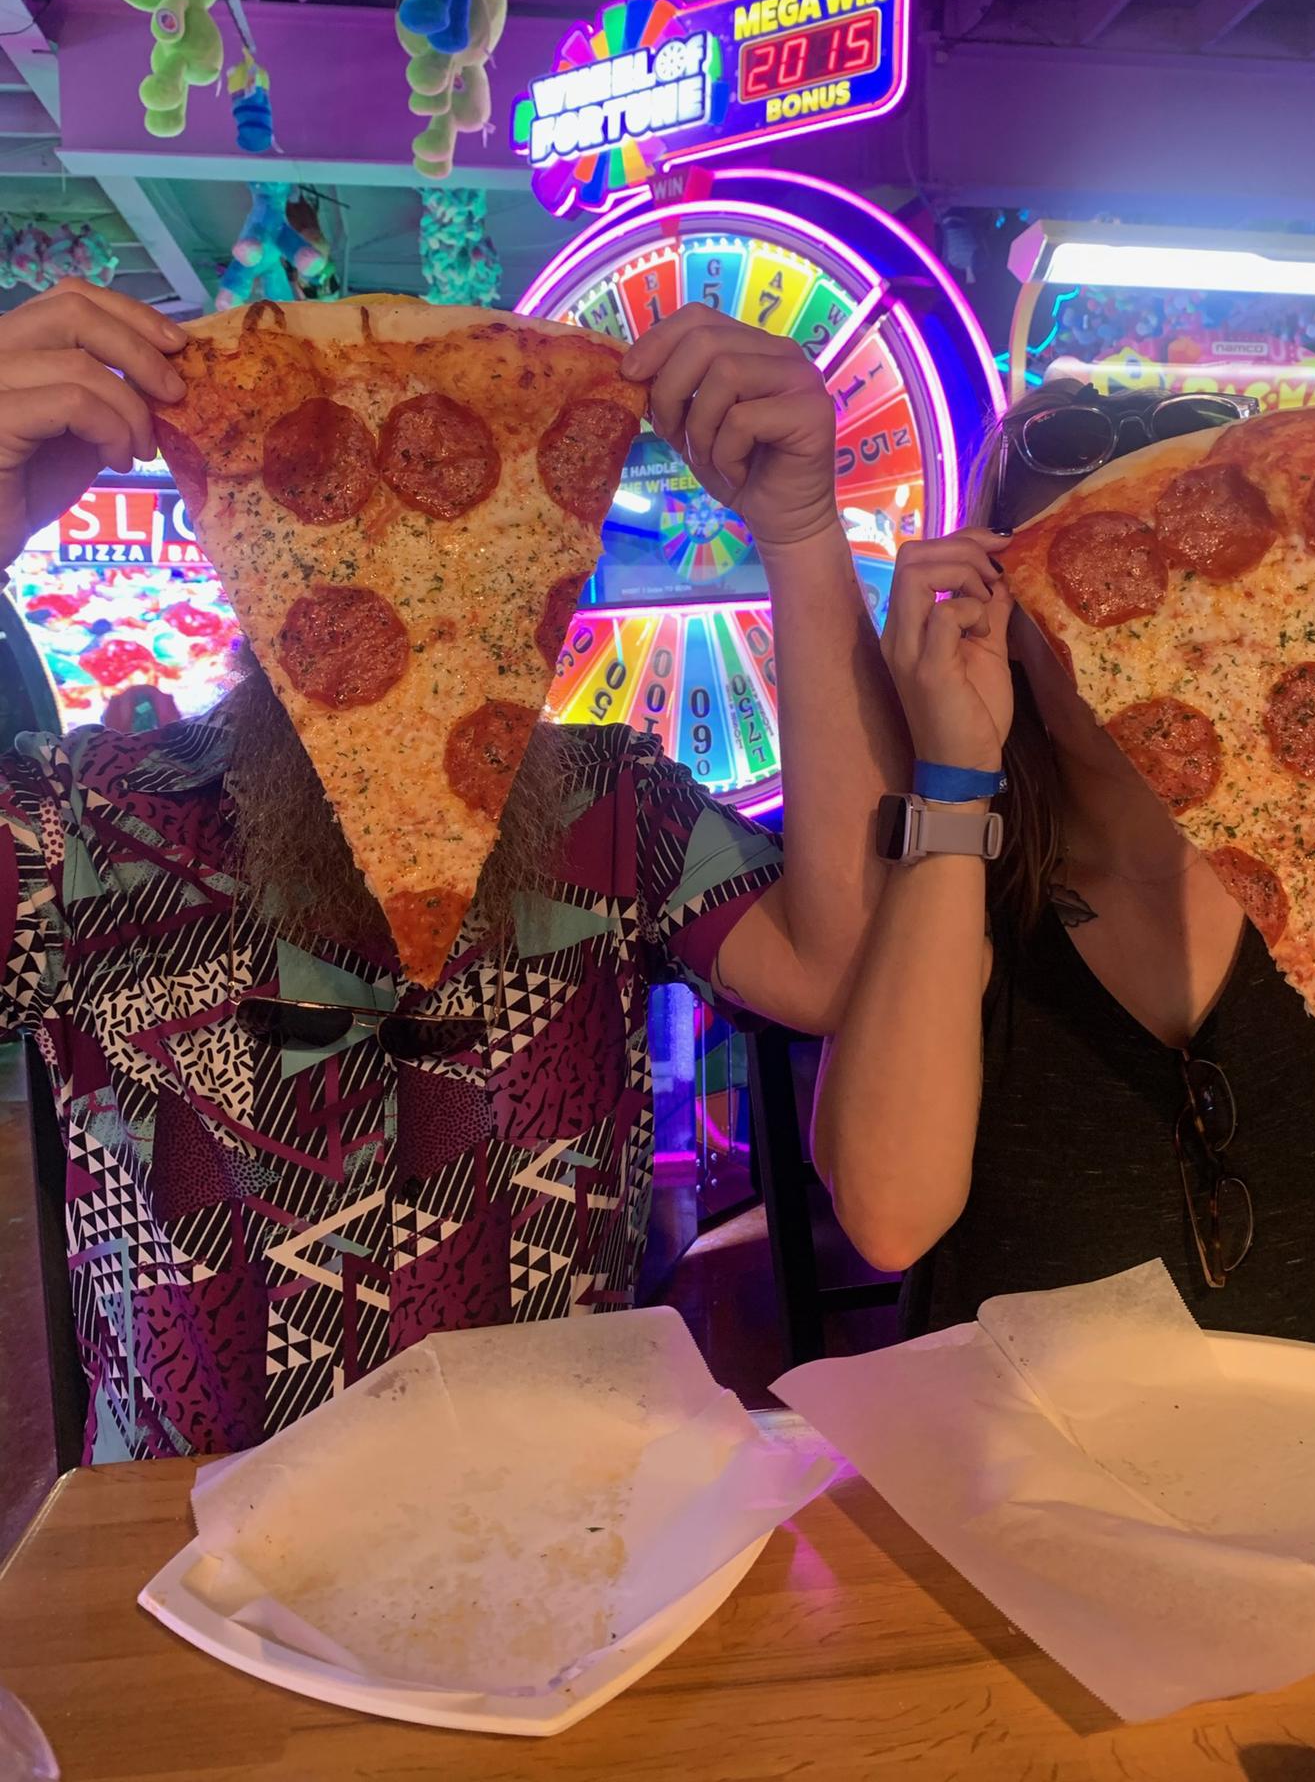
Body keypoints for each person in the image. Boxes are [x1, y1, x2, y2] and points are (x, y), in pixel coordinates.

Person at [0, 279, 954, 1461]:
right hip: (185, 1526)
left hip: (561, 1507)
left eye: (460, 526)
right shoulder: (96, 815)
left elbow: (837, 964)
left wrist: (802, 535)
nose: (399, 565)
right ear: (244, 534)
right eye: (329, 510)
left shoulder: (608, 802)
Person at [813, 369, 1315, 1355]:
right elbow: (889, 1215)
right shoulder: (952, 866)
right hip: (1036, 1454)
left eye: (1195, 580)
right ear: (997, 624)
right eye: (1094, 588)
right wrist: (954, 779)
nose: (1152, 638)